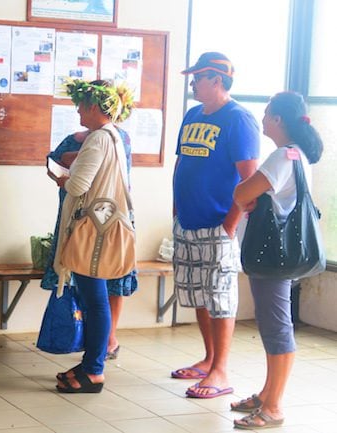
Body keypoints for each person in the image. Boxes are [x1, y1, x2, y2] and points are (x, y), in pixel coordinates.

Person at [231, 92, 323, 429]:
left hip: (272, 258)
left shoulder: (282, 157)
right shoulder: (298, 156)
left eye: (268, 113)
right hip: (282, 255)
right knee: (274, 325)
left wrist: (246, 198)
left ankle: (273, 407)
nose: (264, 117)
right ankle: (266, 395)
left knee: (276, 328)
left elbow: (242, 193)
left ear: (279, 120)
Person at [171, 52, 260, 398]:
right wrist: (176, 210)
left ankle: (221, 371)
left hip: (217, 224)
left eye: (198, 78)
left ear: (217, 81)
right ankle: (208, 359)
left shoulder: (239, 119)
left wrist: (229, 225)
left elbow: (249, 182)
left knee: (221, 297)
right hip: (188, 222)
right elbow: (181, 163)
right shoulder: (193, 114)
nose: (192, 83)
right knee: (199, 294)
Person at [52, 79, 134, 393]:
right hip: (101, 225)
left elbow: (77, 186)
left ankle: (95, 369)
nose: (77, 111)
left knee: (95, 301)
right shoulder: (113, 135)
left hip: (93, 231)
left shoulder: (99, 138)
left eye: (82, 105)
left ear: (97, 107)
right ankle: (90, 363)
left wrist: (60, 176)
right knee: (94, 299)